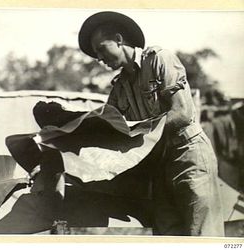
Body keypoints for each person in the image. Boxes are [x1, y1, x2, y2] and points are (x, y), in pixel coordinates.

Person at [78, 11, 225, 236]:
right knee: (167, 236)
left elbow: (182, 113)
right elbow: (111, 130)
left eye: (100, 49)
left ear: (119, 39)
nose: (99, 58)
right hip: (157, 167)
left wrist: (140, 133)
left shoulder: (158, 59)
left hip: (189, 158)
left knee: (203, 236)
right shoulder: (118, 88)